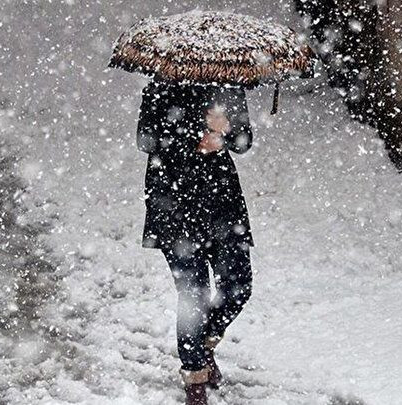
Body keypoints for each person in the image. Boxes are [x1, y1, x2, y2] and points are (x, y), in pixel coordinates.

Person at [136, 78, 254, 405]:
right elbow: (146, 139)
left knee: (238, 285)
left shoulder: (228, 86)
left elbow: (244, 141)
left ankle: (202, 346)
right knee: (194, 295)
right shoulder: (160, 87)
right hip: (174, 203)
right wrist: (197, 132)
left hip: (222, 204)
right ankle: (194, 379)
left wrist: (225, 132)